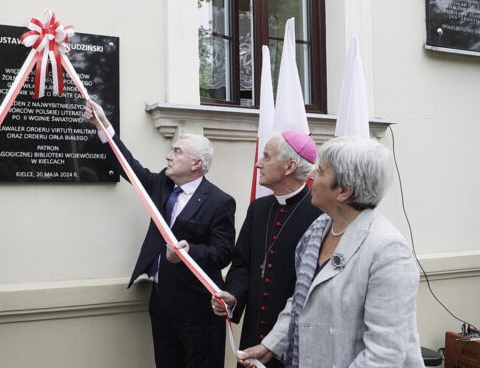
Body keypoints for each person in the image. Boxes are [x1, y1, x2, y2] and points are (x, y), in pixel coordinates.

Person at [238, 136, 423, 367]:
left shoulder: (388, 251)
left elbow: (384, 354)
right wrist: (270, 345)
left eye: (321, 171)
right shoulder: (317, 230)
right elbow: (300, 301)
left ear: (344, 191)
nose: (311, 175)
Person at [85, 101, 236, 368]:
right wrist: (103, 125)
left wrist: (190, 253)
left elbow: (223, 253)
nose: (169, 156)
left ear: (196, 163)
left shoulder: (219, 201)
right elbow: (127, 166)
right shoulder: (161, 185)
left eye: (177, 152)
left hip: (197, 308)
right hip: (162, 303)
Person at [211, 132, 322, 367]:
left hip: (296, 338)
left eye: (266, 156)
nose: (258, 163)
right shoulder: (259, 208)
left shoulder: (319, 214)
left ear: (290, 166)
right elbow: (242, 264)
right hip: (254, 331)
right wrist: (233, 296)